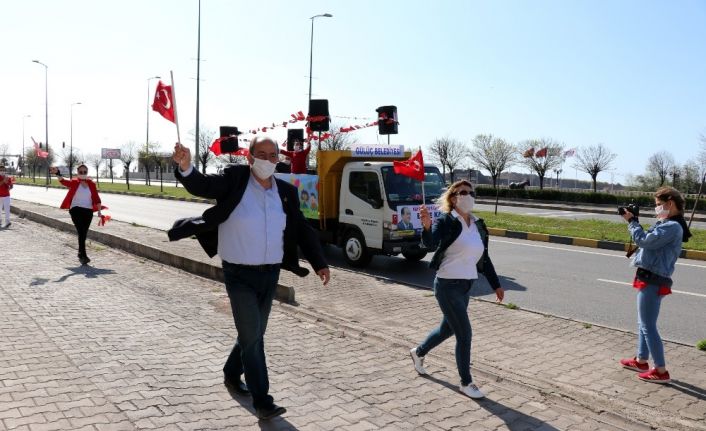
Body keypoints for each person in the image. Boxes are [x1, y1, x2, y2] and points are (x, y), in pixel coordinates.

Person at [171, 136, 330, 420]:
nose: (267, 160)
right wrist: (186, 167)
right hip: (238, 273)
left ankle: (232, 372)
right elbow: (203, 185)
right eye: (261, 154)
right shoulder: (235, 179)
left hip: (270, 274)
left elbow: (302, 229)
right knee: (254, 338)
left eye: (273, 155)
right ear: (249, 157)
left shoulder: (284, 192)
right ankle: (263, 401)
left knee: (252, 334)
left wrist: (319, 263)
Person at [410, 180, 504, 399]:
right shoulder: (446, 220)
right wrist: (426, 226)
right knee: (464, 334)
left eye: (471, 192)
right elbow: (431, 244)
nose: (469, 195)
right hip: (447, 285)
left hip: (465, 286)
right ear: (453, 198)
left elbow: (484, 257)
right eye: (463, 192)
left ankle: (418, 352)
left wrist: (496, 284)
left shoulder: (478, 224)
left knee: (448, 329)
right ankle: (466, 382)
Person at [619, 187, 691, 384]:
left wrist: (632, 222)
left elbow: (644, 241)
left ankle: (660, 370)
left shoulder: (671, 227)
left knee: (648, 326)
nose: (657, 208)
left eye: (659, 204)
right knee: (644, 323)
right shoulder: (668, 223)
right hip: (649, 276)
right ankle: (641, 360)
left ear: (670, 203)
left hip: (653, 279)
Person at [50, 165, 104, 265]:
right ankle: (84, 255)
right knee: (81, 231)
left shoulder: (91, 184)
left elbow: (96, 198)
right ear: (77, 172)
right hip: (75, 210)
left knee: (83, 233)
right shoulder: (74, 182)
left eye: (85, 172)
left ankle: (80, 253)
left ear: (87, 172)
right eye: (81, 172)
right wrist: (57, 173)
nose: (83, 173)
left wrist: (100, 211)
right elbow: (63, 181)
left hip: (88, 211)